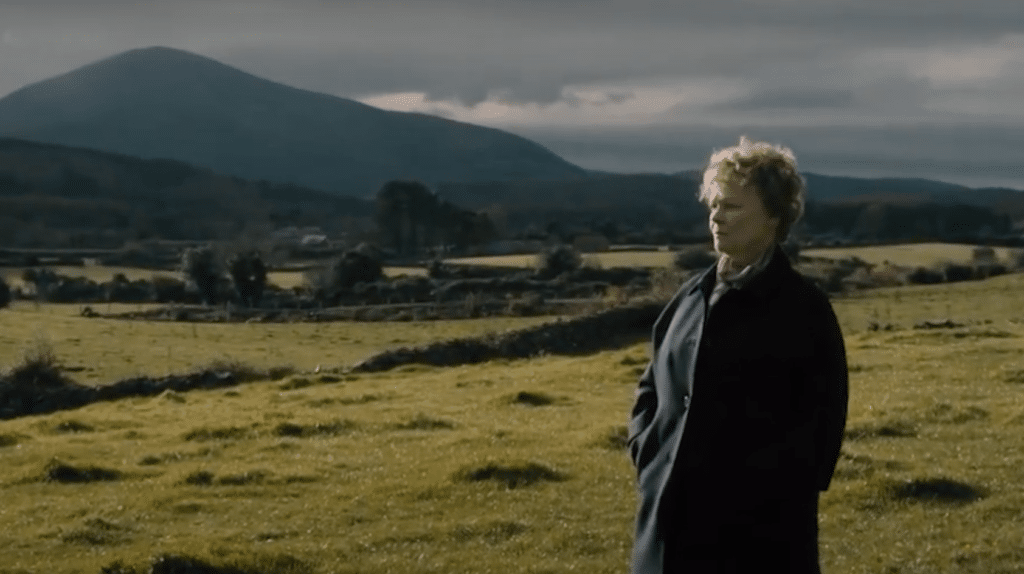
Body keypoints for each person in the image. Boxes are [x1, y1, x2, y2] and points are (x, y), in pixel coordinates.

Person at [627, 136, 848, 573]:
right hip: (666, 530)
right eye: (714, 205)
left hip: (756, 542)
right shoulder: (690, 295)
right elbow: (651, 385)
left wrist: (755, 491)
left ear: (773, 216)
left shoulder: (804, 311)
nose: (716, 216)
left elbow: (821, 432)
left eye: (732, 207)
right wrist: (647, 451)